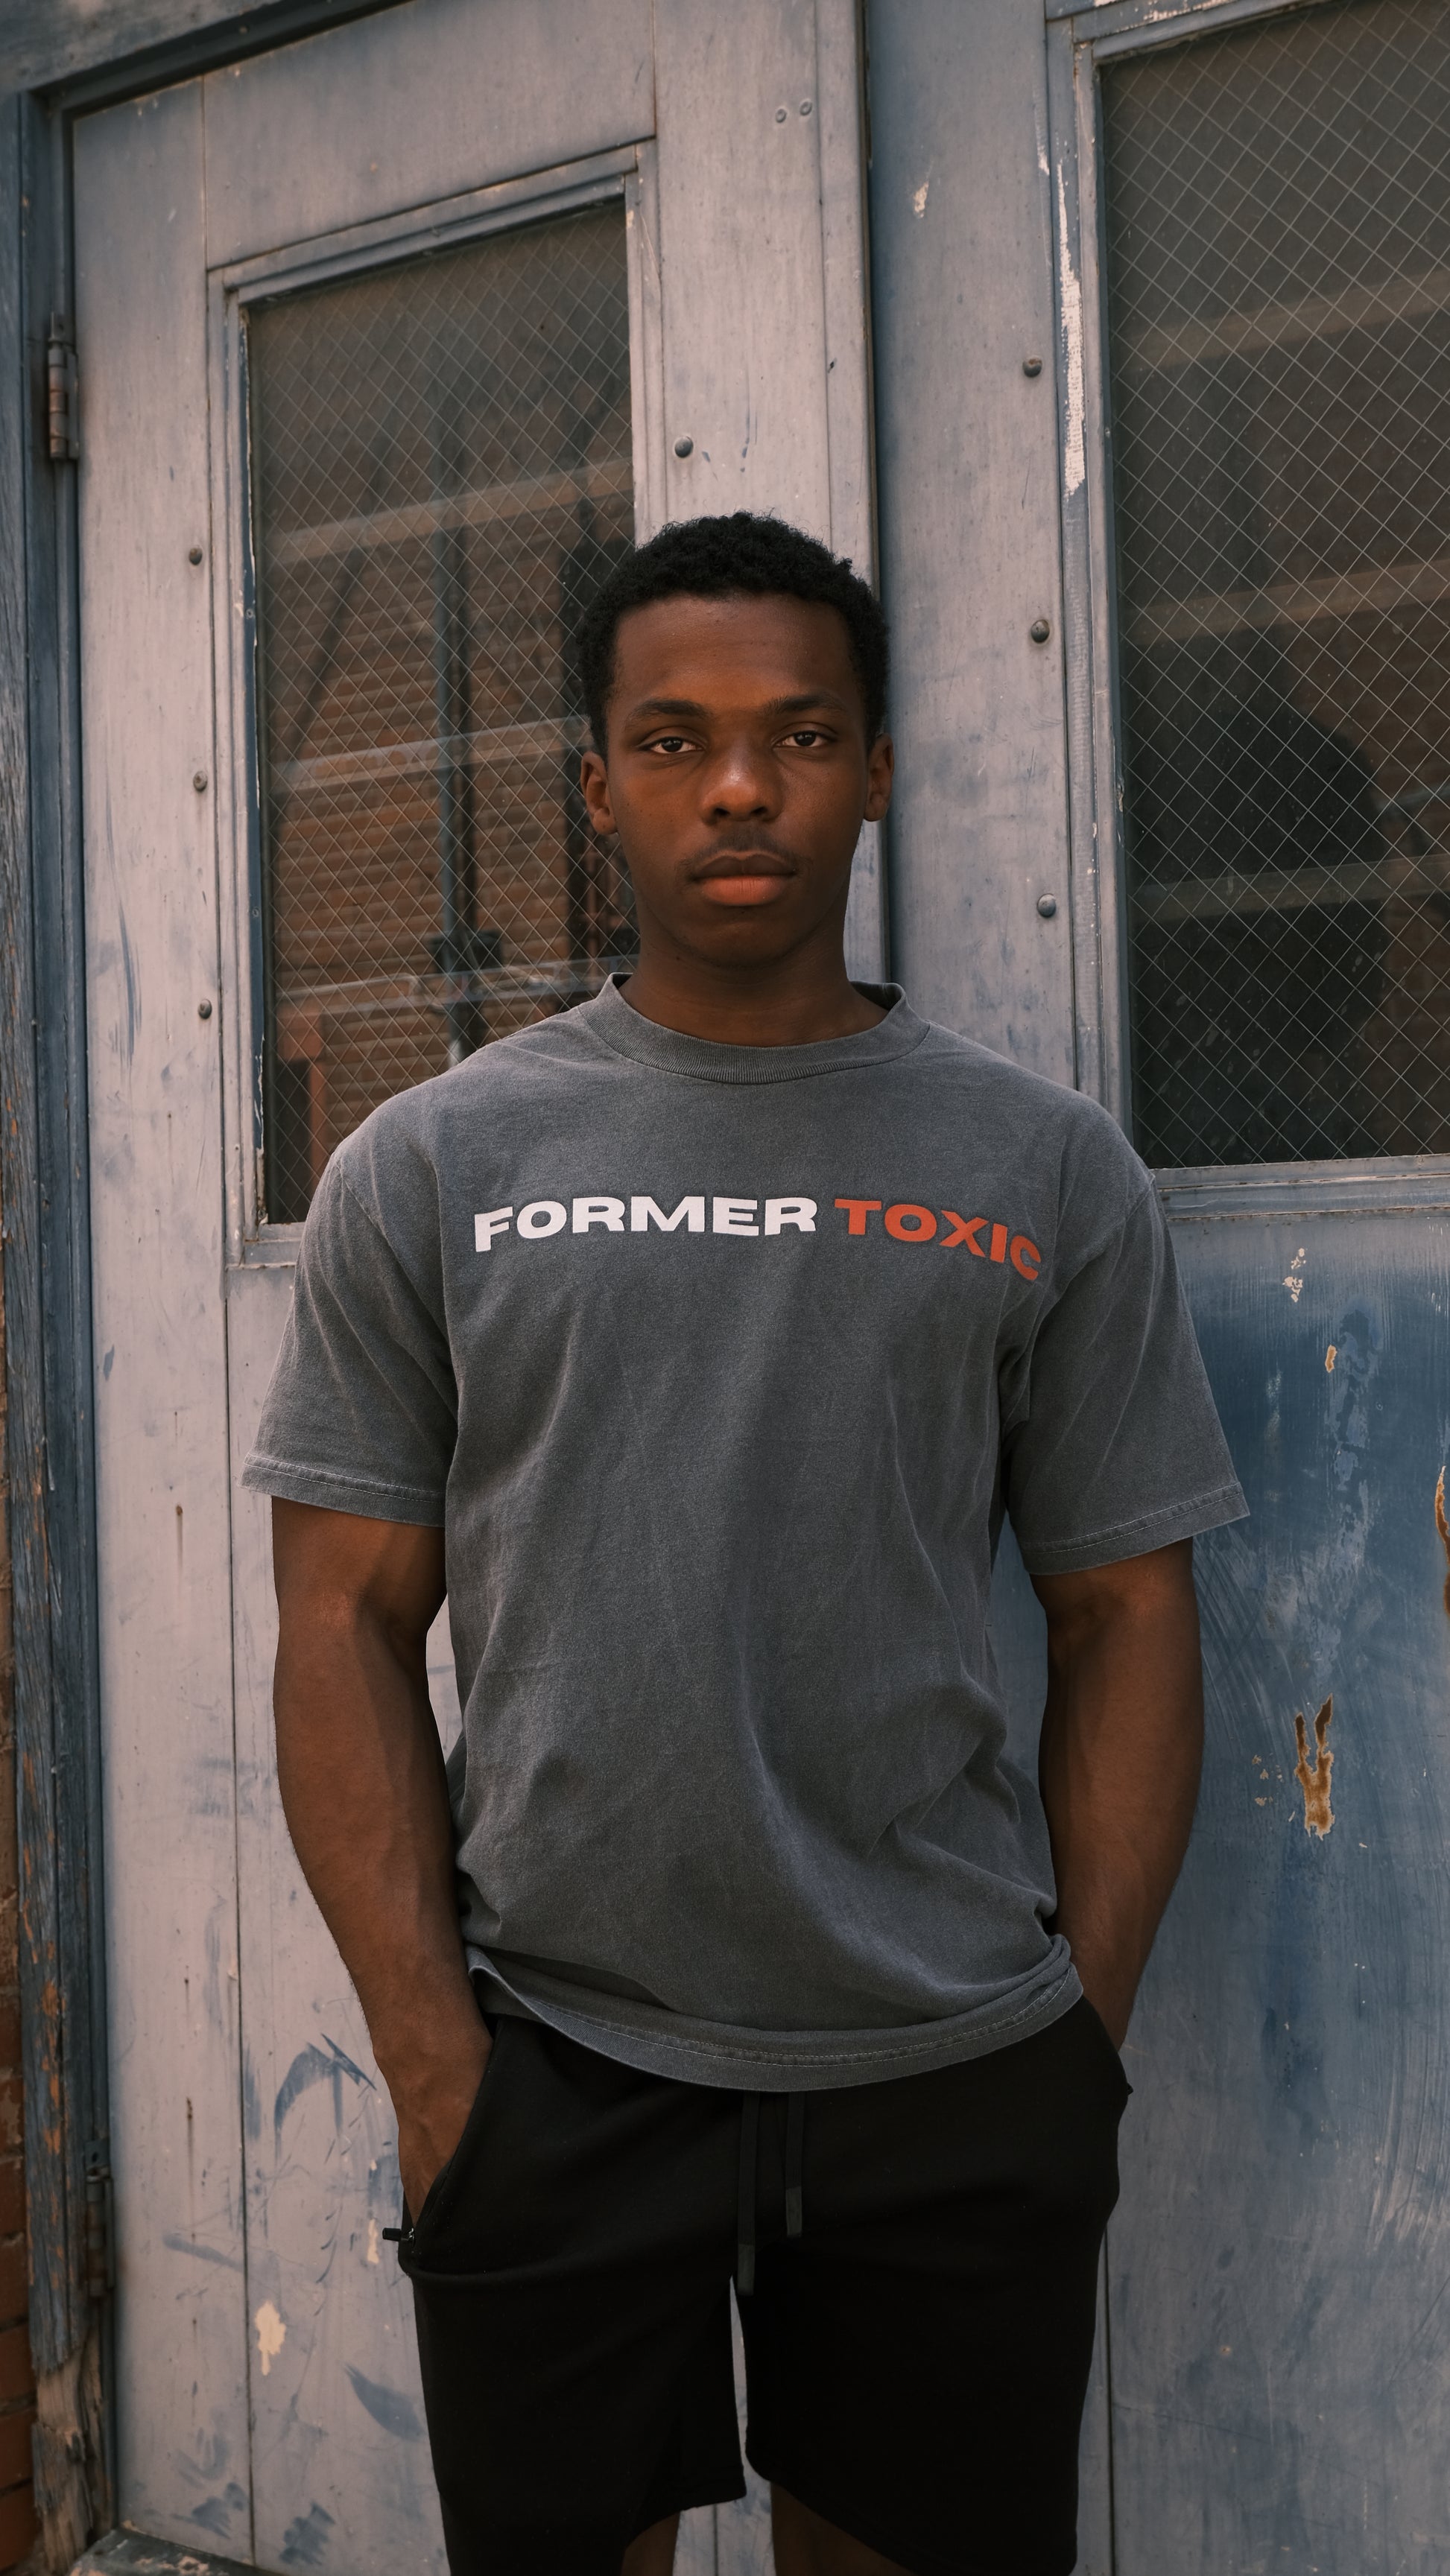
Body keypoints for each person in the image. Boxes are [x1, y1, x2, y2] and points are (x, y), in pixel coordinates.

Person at [244, 512, 1247, 2576]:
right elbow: (338, 1619)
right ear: (594, 785)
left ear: (874, 769)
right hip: (557, 2054)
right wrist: (439, 2074)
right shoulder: (433, 1163)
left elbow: (1124, 1609)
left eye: (796, 735)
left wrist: (1077, 2038)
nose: (735, 786)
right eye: (673, 738)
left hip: (948, 2061)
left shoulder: (1041, 1165)